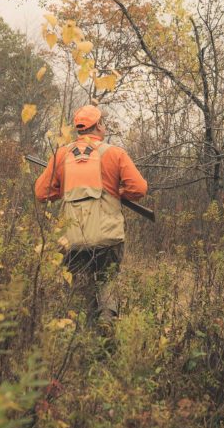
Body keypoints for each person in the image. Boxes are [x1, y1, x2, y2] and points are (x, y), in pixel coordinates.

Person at [34, 105, 148, 326]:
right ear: (98, 127)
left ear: (79, 130)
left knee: (79, 286)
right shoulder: (114, 153)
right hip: (108, 238)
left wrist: (64, 190)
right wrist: (118, 192)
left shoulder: (62, 155)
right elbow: (140, 189)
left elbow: (41, 193)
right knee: (107, 280)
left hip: (73, 239)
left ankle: (82, 332)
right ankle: (107, 322)